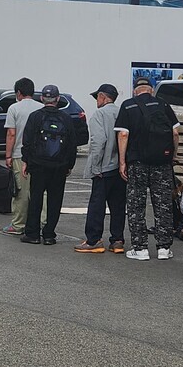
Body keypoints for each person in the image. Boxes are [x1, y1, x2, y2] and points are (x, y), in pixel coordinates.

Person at [116, 77, 181, 261]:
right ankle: (163, 248)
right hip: (162, 162)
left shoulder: (128, 106)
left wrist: (122, 162)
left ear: (136, 91)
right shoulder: (163, 105)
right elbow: (175, 133)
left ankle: (140, 248)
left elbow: (123, 134)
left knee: (136, 204)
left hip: (137, 162)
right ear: (151, 90)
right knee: (162, 205)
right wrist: (173, 155)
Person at [20, 85, 78, 245]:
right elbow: (72, 143)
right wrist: (69, 164)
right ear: (58, 99)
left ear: (42, 99)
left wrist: (26, 161)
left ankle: (32, 234)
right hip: (59, 166)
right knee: (55, 200)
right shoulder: (66, 118)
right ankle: (49, 234)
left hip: (38, 164)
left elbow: (28, 141)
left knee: (36, 198)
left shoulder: (35, 117)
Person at [75, 83, 126, 254]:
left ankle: (94, 240)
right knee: (118, 205)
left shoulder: (99, 115)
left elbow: (98, 142)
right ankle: (117, 240)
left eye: (97, 96)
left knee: (97, 205)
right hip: (121, 167)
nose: (96, 100)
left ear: (103, 97)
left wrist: (95, 167)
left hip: (103, 168)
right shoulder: (122, 112)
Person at [1, 77, 42, 236]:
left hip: (19, 154)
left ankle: (18, 224)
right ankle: (41, 222)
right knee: (40, 191)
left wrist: (8, 156)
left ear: (18, 92)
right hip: (39, 156)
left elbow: (11, 133)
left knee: (21, 192)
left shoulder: (14, 108)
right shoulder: (41, 107)